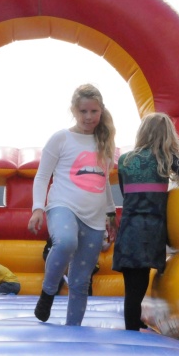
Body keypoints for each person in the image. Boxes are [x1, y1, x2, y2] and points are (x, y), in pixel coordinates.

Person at [27, 84, 117, 326]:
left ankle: (72, 331)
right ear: (74, 111)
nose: (88, 117)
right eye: (83, 111)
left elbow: (103, 180)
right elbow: (42, 175)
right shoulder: (61, 138)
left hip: (95, 216)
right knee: (66, 241)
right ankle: (48, 291)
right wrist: (37, 207)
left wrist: (111, 214)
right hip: (62, 204)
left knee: (80, 281)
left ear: (101, 111)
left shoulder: (104, 142)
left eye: (94, 111)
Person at [112, 112, 179, 331]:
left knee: (133, 284)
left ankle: (134, 319)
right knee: (138, 286)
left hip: (130, 227)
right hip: (150, 230)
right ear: (168, 135)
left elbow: (125, 192)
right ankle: (131, 329)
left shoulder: (125, 160)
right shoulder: (166, 158)